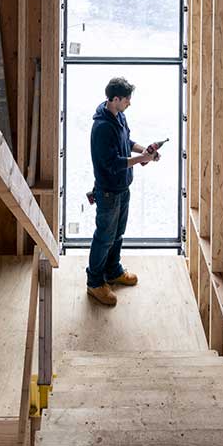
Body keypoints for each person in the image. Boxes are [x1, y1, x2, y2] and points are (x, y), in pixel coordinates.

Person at [86, 76, 162, 307]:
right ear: (115, 99)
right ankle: (95, 283)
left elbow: (126, 142)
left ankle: (113, 271)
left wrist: (144, 149)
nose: (130, 103)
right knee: (104, 238)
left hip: (122, 188)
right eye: (127, 99)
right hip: (108, 191)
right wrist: (142, 159)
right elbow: (113, 162)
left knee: (117, 234)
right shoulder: (101, 128)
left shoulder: (119, 116)